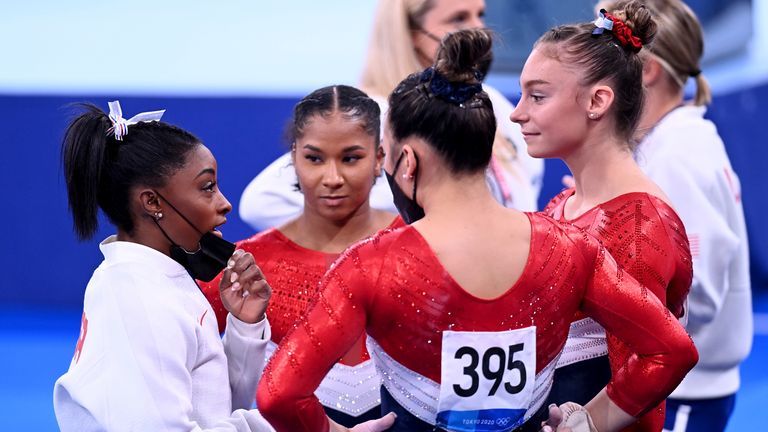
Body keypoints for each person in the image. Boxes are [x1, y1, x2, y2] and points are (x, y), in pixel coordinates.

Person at [256, 28, 697, 432]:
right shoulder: (569, 244)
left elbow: (278, 395)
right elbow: (672, 350)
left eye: (384, 155)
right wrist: (591, 422)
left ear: (405, 162)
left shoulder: (368, 265)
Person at [53, 101, 395, 432]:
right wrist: (290, 418)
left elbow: (216, 404)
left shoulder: (160, 280)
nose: (225, 203)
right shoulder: (138, 298)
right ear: (153, 202)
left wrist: (245, 326)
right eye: (207, 188)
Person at [509, 3, 693, 431]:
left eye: (537, 96)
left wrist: (587, 422)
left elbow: (659, 363)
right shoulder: (568, 203)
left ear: (597, 101)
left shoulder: (637, 228)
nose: (518, 112)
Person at [239, 0, 544, 231]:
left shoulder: (491, 102)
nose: (477, 30)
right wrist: (381, 233)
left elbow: (526, 190)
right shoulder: (380, 115)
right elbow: (262, 202)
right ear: (410, 33)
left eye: (480, 15)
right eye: (458, 18)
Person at [199, 85, 402, 427]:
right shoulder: (250, 264)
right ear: (293, 157)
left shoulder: (418, 246)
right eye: (314, 158)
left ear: (380, 158)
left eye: (351, 158)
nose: (333, 178)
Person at [600, 1, 753, 431]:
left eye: (601, 52)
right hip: (674, 382)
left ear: (646, 70)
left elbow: (696, 291)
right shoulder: (667, 145)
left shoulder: (677, 156)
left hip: (679, 390)